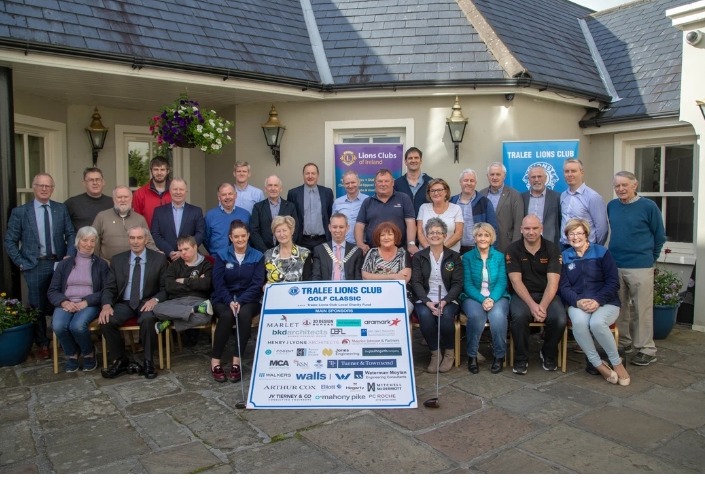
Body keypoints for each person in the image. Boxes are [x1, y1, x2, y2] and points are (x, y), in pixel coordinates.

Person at [4, 173, 76, 359]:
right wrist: (21, 262)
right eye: (41, 185)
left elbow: (71, 234)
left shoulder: (60, 209)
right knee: (37, 306)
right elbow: (10, 241)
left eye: (48, 186)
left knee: (63, 300)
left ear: (52, 188)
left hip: (59, 263)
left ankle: (66, 339)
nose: (44, 189)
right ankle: (42, 343)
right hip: (35, 264)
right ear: (34, 187)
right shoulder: (21, 212)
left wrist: (69, 255)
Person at [559, 218, 630, 386]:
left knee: (597, 323)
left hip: (606, 302)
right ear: (567, 237)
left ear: (586, 234)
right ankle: (598, 364)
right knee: (579, 323)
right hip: (578, 302)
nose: (575, 237)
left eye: (579, 233)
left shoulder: (602, 252)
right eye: (571, 234)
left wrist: (597, 300)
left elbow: (613, 282)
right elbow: (563, 286)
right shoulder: (564, 257)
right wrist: (578, 301)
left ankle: (617, 363)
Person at [608, 170, 666, 367]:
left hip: (640, 266)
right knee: (619, 308)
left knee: (642, 309)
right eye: (617, 186)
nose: (621, 189)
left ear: (635, 185)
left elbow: (659, 236)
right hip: (616, 264)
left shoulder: (648, 207)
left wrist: (650, 258)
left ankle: (646, 349)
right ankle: (623, 342)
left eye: (625, 185)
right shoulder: (612, 206)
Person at [99, 226, 167, 380]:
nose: (135, 242)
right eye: (132, 238)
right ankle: (120, 360)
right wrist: (106, 305)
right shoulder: (117, 260)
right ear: (128, 239)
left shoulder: (159, 259)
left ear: (146, 240)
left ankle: (148, 361)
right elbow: (109, 288)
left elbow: (165, 288)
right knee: (106, 320)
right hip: (124, 302)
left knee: (148, 319)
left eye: (139, 238)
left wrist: (155, 299)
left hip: (146, 301)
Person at [506, 215, 567, 374]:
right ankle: (521, 357)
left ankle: (548, 353)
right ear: (521, 230)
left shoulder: (552, 249)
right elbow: (516, 282)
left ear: (541, 229)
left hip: (547, 294)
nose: (531, 232)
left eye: (535, 228)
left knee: (559, 319)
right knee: (518, 317)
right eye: (527, 228)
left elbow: (553, 282)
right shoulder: (513, 249)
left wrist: (543, 306)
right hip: (522, 295)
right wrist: (533, 306)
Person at [47, 226, 110, 372]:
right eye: (85, 240)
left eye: (92, 241)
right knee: (58, 326)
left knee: (77, 326)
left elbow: (106, 290)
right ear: (77, 241)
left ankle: (89, 353)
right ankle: (72, 354)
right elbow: (52, 290)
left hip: (89, 304)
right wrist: (64, 302)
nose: (88, 244)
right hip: (66, 303)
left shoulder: (101, 264)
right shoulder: (64, 264)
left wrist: (86, 302)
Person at [210, 220, 265, 383]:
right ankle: (215, 361)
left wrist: (240, 300)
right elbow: (218, 283)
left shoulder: (257, 256)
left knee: (244, 314)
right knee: (227, 315)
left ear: (248, 236)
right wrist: (229, 300)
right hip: (223, 298)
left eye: (243, 236)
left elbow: (257, 284)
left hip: (249, 299)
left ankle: (236, 362)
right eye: (236, 236)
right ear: (230, 238)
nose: (240, 239)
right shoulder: (221, 255)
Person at [410, 218, 463, 373]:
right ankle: (435, 353)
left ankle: (449, 353)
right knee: (425, 316)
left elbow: (457, 284)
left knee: (446, 317)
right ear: (426, 236)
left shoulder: (454, 256)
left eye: (439, 232)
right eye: (431, 232)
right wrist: (427, 302)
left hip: (448, 299)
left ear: (445, 235)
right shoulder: (419, 257)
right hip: (425, 299)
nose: (435, 235)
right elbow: (416, 282)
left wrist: (445, 301)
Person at [461, 223, 509, 374]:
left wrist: (491, 299)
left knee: (498, 316)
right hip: (473, 296)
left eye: (486, 235)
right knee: (476, 316)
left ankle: (499, 356)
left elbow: (502, 281)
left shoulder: (500, 257)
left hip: (497, 296)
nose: (483, 238)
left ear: (491, 238)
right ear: (474, 238)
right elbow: (467, 284)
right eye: (479, 235)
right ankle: (472, 356)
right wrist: (483, 299)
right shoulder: (467, 257)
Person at [152, 236, 213, 334]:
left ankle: (170, 321)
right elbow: (169, 286)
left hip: (198, 300)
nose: (183, 253)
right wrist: (196, 282)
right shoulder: (174, 265)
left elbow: (206, 285)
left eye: (186, 249)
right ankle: (193, 310)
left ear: (195, 247)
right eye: (180, 250)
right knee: (156, 309)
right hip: (176, 301)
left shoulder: (206, 265)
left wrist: (184, 281)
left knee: (205, 317)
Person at [355, 169, 417, 255]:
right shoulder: (367, 202)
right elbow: (359, 225)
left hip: (399, 251)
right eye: (380, 181)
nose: (383, 184)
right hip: (373, 251)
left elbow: (410, 222)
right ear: (375, 184)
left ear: (393, 183)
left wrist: (411, 244)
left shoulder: (404, 198)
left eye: (386, 181)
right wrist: (360, 243)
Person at [92, 186, 158, 261]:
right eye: (119, 197)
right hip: (108, 265)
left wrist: (158, 254)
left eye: (126, 197)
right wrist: (98, 262)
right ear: (113, 199)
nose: (123, 200)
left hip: (133, 265)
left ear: (131, 199)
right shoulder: (102, 217)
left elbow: (148, 242)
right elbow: (93, 241)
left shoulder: (140, 219)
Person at [361, 222, 413, 315]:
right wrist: (393, 276)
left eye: (390, 234)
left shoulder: (403, 253)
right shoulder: (372, 253)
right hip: (374, 295)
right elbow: (365, 276)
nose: (386, 238)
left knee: (401, 311)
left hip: (399, 295)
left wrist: (376, 277)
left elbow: (403, 279)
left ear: (395, 236)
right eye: (382, 235)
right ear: (378, 238)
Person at [151, 178, 205, 262]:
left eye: (181, 189)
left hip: (190, 259)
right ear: (170, 191)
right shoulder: (159, 212)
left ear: (186, 191)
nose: (178, 192)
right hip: (166, 259)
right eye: (175, 189)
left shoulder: (196, 211)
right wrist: (170, 252)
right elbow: (155, 234)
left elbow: (200, 234)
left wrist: (184, 251)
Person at [560, 158, 609, 247]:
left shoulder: (593, 197)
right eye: (567, 171)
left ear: (582, 172)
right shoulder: (563, 196)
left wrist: (595, 248)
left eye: (573, 171)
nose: (569, 174)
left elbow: (602, 228)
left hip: (586, 248)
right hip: (565, 247)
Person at [287, 163, 334, 251]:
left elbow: (330, 215)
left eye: (313, 173)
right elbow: (290, 219)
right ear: (303, 175)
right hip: (301, 240)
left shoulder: (327, 193)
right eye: (307, 173)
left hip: (323, 240)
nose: (310, 176)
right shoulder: (293, 194)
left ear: (318, 175)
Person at [450, 168, 498, 255]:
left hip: (477, 249)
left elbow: (492, 229)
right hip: (454, 248)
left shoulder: (484, 202)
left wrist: (491, 251)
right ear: (460, 182)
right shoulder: (452, 201)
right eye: (465, 180)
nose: (469, 183)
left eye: (472, 181)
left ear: (475, 183)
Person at [479, 162, 523, 252]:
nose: (494, 177)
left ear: (504, 176)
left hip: (507, 244)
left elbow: (519, 223)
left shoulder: (515, 195)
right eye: (492, 174)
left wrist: (515, 246)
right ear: (487, 176)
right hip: (484, 244)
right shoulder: (481, 194)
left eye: (498, 174)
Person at [250, 175, 301, 254]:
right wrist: (266, 251)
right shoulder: (258, 207)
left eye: (276, 185)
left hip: (285, 252)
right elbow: (254, 231)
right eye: (270, 185)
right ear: (265, 189)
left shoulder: (290, 206)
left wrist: (286, 248)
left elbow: (295, 229)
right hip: (263, 252)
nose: (273, 188)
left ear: (281, 188)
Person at [311, 213, 363, 281]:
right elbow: (316, 277)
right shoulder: (319, 250)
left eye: (341, 227)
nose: (338, 230)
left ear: (347, 228)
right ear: (329, 227)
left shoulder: (356, 251)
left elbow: (358, 279)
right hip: (326, 287)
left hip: (348, 287)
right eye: (334, 227)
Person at [416, 178, 463, 252]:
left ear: (446, 192)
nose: (436, 193)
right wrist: (429, 250)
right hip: (426, 253)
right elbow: (419, 232)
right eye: (432, 190)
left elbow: (458, 234)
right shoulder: (423, 208)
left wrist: (440, 250)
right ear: (429, 193)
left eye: (439, 190)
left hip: (449, 253)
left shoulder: (456, 208)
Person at [203, 183, 250, 257]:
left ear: (235, 195)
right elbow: (206, 239)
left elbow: (250, 238)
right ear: (219, 197)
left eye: (230, 194)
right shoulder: (210, 216)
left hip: (241, 258)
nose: (227, 197)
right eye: (224, 195)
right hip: (217, 258)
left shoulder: (245, 214)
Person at [521, 165, 561, 247]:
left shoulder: (557, 197)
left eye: (539, 176)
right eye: (533, 177)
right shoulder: (522, 197)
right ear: (529, 179)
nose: (536, 179)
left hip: (550, 243)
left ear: (545, 178)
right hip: (527, 242)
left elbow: (560, 221)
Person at [264, 215, 312, 283]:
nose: (282, 234)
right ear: (274, 234)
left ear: (291, 231)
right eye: (278, 231)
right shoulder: (267, 255)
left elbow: (308, 282)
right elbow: (263, 281)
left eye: (284, 230)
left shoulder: (305, 254)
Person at [132, 156, 172, 228]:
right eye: (156, 169)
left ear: (168, 171)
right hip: (148, 234)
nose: (159, 173)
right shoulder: (139, 194)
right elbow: (136, 220)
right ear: (151, 171)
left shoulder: (175, 191)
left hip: (171, 234)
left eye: (162, 169)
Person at [332, 170, 368, 245]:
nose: (350, 186)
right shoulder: (337, 202)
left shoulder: (368, 200)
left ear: (359, 182)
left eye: (353, 182)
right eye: (347, 183)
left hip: (363, 245)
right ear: (343, 185)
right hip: (343, 245)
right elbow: (333, 224)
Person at [394, 147, 433, 216]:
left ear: (421, 161)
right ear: (405, 162)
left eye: (416, 158)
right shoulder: (397, 183)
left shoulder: (431, 182)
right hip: (403, 222)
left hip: (425, 222)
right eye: (410, 158)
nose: (413, 160)